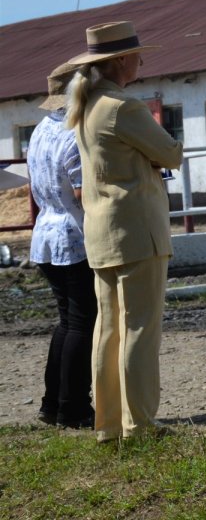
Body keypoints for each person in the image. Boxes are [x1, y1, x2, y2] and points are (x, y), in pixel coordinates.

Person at [65, 21, 183, 441]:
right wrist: (152, 160)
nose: (142, 60)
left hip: (101, 231)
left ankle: (110, 424)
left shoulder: (84, 106)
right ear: (118, 62)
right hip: (137, 230)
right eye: (136, 54)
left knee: (109, 330)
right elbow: (171, 152)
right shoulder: (122, 107)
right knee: (140, 330)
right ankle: (141, 426)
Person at [28, 61, 97, 429]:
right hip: (74, 235)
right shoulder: (75, 133)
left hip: (45, 234)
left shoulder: (41, 129)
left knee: (67, 322)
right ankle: (74, 408)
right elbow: (83, 190)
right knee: (83, 323)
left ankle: (53, 402)